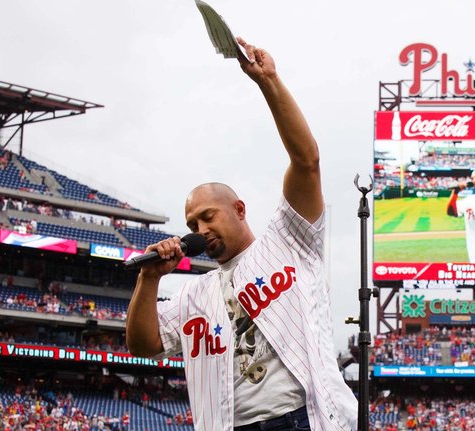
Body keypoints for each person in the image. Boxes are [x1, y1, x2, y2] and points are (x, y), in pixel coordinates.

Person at [126, 38, 357, 431]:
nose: (200, 230)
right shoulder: (194, 295)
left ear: (239, 210)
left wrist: (268, 81)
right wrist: (149, 278)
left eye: (208, 216)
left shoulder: (288, 241)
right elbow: (142, 345)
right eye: (193, 225)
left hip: (304, 418)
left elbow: (307, 160)